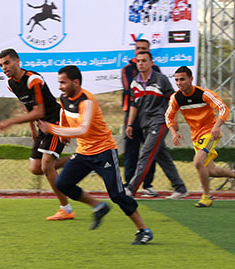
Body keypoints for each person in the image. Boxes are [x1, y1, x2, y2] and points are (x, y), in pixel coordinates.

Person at [38, 65, 154, 245]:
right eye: (59, 82)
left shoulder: (87, 101)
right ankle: (98, 206)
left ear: (76, 82)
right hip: (83, 153)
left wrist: (52, 129)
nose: (60, 86)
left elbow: (83, 129)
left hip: (104, 152)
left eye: (63, 82)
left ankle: (143, 230)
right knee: (63, 183)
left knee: (117, 195)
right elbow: (64, 114)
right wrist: (62, 133)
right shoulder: (64, 98)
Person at [0, 48, 74, 221]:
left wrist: (10, 121)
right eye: (0, 65)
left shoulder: (33, 79)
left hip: (55, 121)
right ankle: (81, 160)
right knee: (36, 168)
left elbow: (39, 111)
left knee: (47, 166)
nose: (4, 67)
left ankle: (66, 209)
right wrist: (32, 129)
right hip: (42, 126)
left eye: (7, 63)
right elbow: (28, 106)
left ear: (17, 61)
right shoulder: (11, 83)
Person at [166, 66, 235, 207]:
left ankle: (206, 197)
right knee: (209, 170)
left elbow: (223, 108)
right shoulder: (176, 98)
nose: (179, 83)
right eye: (176, 80)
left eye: (182, 79)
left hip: (210, 133)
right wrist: (174, 132)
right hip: (196, 136)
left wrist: (217, 126)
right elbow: (168, 116)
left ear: (191, 79)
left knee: (197, 162)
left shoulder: (204, 94)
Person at [124, 50, 188, 200]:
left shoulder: (161, 79)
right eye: (138, 61)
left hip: (160, 122)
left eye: (144, 60)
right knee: (162, 156)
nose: (141, 63)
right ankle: (180, 188)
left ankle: (131, 189)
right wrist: (129, 125)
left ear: (151, 63)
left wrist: (174, 121)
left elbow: (173, 100)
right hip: (145, 124)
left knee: (145, 154)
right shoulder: (134, 83)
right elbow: (134, 105)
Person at [120, 38, 160, 196]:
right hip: (132, 115)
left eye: (144, 48)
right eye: (138, 48)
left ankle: (148, 184)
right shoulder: (127, 69)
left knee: (149, 150)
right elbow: (131, 89)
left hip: (150, 115)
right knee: (131, 150)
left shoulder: (156, 69)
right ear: (134, 50)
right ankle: (129, 184)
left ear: (149, 51)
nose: (140, 51)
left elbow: (158, 89)